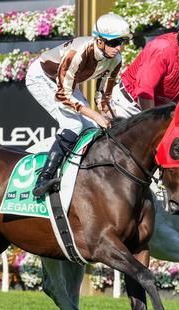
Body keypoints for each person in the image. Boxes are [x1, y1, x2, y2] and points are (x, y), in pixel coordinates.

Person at [25, 13, 131, 196]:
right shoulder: (78, 52)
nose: (119, 48)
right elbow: (63, 95)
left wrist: (112, 119)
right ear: (99, 41)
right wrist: (96, 114)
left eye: (123, 42)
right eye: (114, 43)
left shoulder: (116, 60)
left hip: (66, 84)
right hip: (41, 77)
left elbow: (103, 96)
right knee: (73, 124)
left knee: (91, 128)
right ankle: (43, 179)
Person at [110, 8, 179, 119]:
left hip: (160, 111)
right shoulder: (161, 49)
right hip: (126, 105)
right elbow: (145, 90)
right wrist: (151, 122)